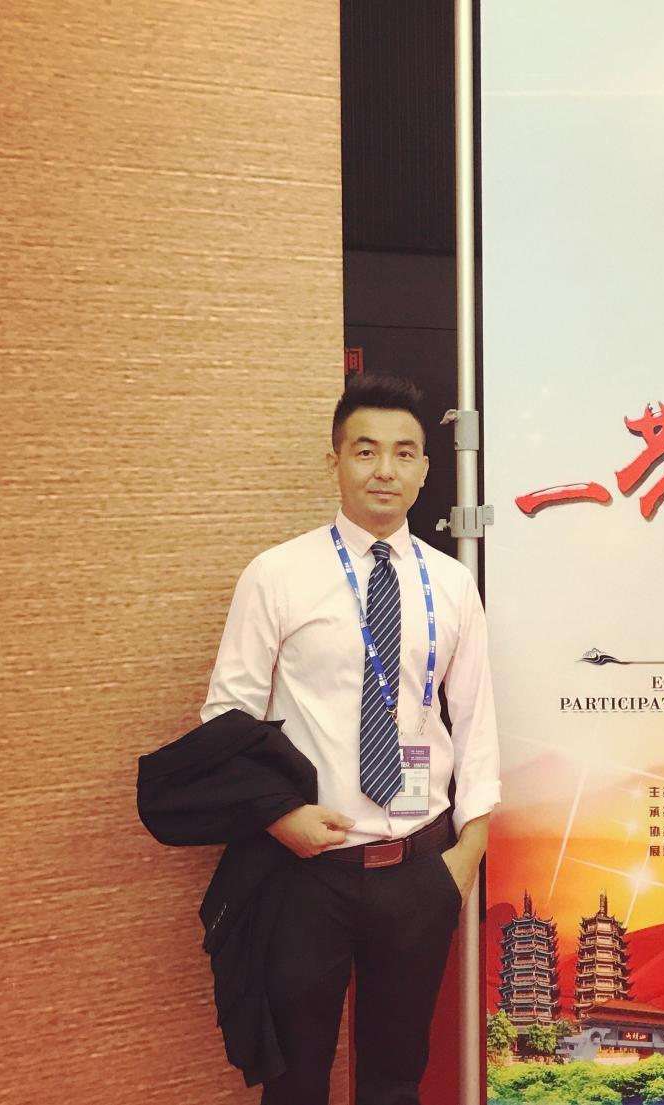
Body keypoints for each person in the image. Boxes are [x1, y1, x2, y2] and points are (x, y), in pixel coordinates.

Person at [200, 373, 500, 1105]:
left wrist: (465, 856)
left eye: (404, 453)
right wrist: (280, 818)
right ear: (334, 460)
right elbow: (226, 717)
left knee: (396, 1080)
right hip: (306, 872)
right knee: (295, 1081)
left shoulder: (451, 583)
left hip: (420, 868)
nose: (384, 470)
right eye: (365, 451)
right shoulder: (277, 575)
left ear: (425, 468)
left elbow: (475, 720)